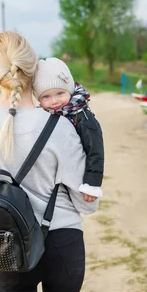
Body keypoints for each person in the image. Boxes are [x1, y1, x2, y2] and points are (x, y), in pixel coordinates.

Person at [0, 31, 98, 292]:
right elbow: (86, 203)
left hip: (4, 243)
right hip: (60, 241)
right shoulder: (60, 126)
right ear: (34, 68)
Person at [33, 57, 104, 203]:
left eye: (60, 93)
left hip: (77, 172)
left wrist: (91, 183)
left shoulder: (82, 116)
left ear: (70, 90)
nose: (54, 101)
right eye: (46, 96)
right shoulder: (41, 115)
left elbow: (95, 151)